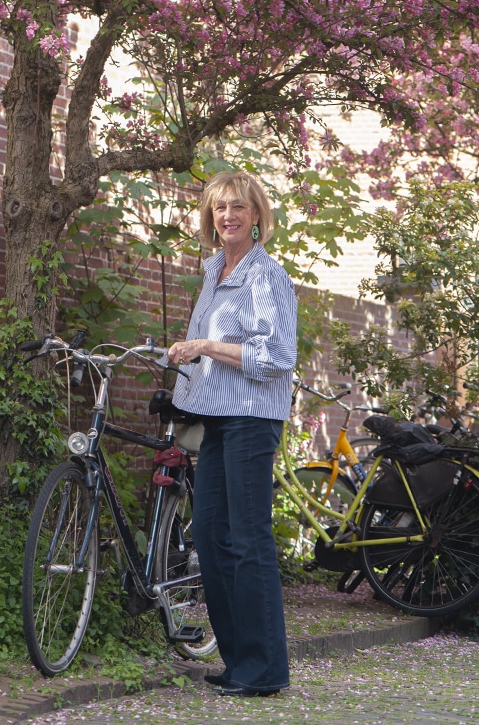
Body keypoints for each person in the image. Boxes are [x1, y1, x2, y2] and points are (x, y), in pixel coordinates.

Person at [168, 170, 297, 697]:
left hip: (251, 416)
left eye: (240, 207)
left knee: (248, 540)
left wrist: (205, 346)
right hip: (216, 417)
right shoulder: (213, 273)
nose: (229, 216)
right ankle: (239, 659)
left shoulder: (267, 277)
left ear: (257, 216)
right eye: (220, 208)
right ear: (210, 217)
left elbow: (275, 357)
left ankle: (264, 669)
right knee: (208, 535)